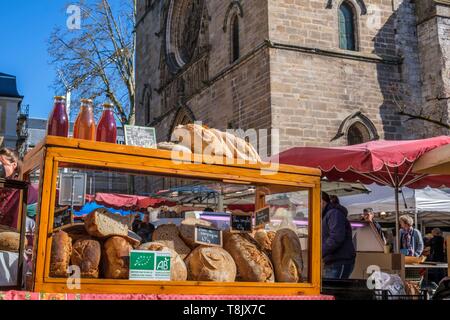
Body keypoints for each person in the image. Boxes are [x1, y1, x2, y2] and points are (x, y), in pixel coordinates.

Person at [322, 192, 356, 279]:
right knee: (330, 291)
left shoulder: (333, 214)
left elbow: (336, 237)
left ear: (321, 202)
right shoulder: (327, 215)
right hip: (333, 261)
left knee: (334, 291)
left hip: (339, 261)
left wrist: (319, 252)